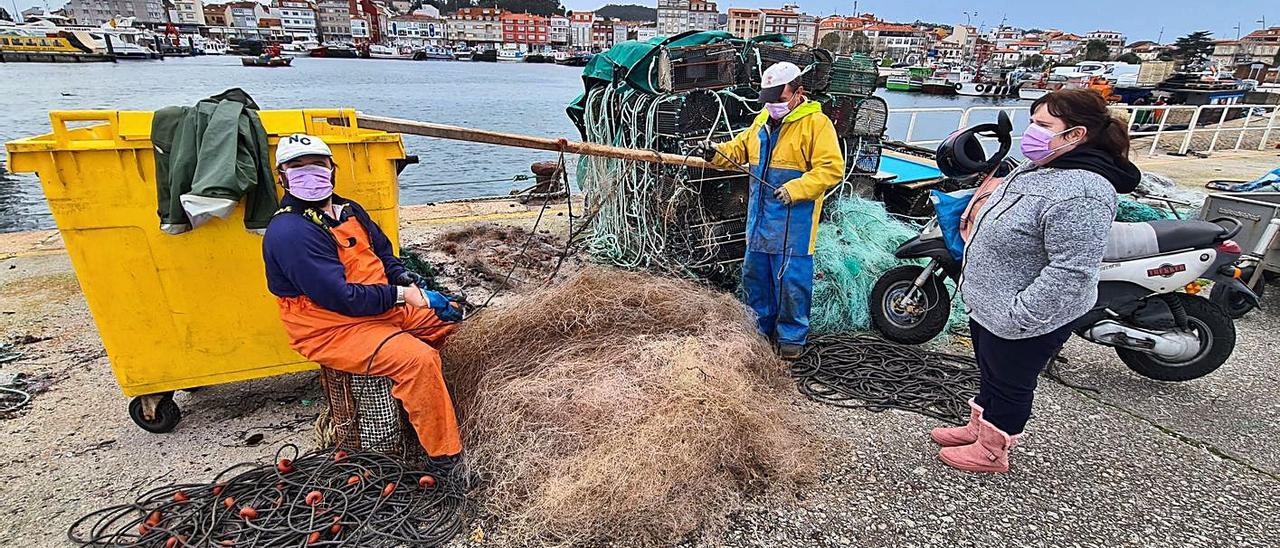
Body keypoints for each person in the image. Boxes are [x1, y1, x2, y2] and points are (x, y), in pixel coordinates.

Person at [932, 89, 1140, 473]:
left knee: (1012, 380)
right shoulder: (1044, 167)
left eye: (1044, 125)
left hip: (1024, 315)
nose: (1033, 132)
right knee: (990, 370)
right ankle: (979, 427)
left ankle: (993, 450)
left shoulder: (1084, 191)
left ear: (1075, 135)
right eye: (1033, 122)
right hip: (990, 303)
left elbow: (1071, 271)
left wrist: (1022, 314)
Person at [262, 133, 466, 468]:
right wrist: (405, 296)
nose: (308, 172)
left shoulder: (349, 210)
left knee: (452, 320)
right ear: (282, 176)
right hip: (332, 327)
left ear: (332, 169)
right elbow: (341, 298)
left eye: (317, 164)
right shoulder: (291, 232)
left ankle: (442, 400)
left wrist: (401, 276)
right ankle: (444, 457)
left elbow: (384, 252)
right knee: (418, 360)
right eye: (296, 166)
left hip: (381, 306)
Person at [699, 61, 845, 360]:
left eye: (779, 99)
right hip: (760, 219)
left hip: (795, 223)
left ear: (798, 93)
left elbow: (831, 169)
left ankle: (792, 336)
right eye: (769, 100)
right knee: (756, 277)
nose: (773, 106)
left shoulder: (817, 124)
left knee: (792, 282)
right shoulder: (762, 120)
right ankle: (759, 329)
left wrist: (797, 189)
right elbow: (740, 149)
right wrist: (716, 152)